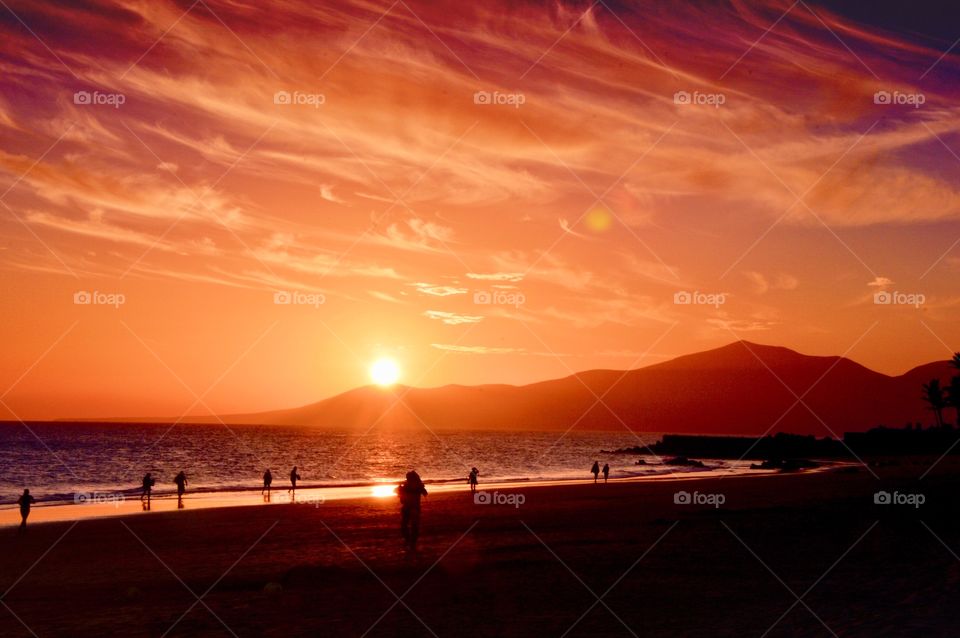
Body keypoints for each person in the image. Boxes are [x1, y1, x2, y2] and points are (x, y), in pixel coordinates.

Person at [398, 470, 428, 548]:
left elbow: (402, 500)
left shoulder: (410, 486)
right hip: (411, 507)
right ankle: (410, 541)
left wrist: (401, 491)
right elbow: (425, 493)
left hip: (411, 507)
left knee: (408, 525)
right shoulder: (416, 486)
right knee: (409, 525)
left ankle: (410, 541)